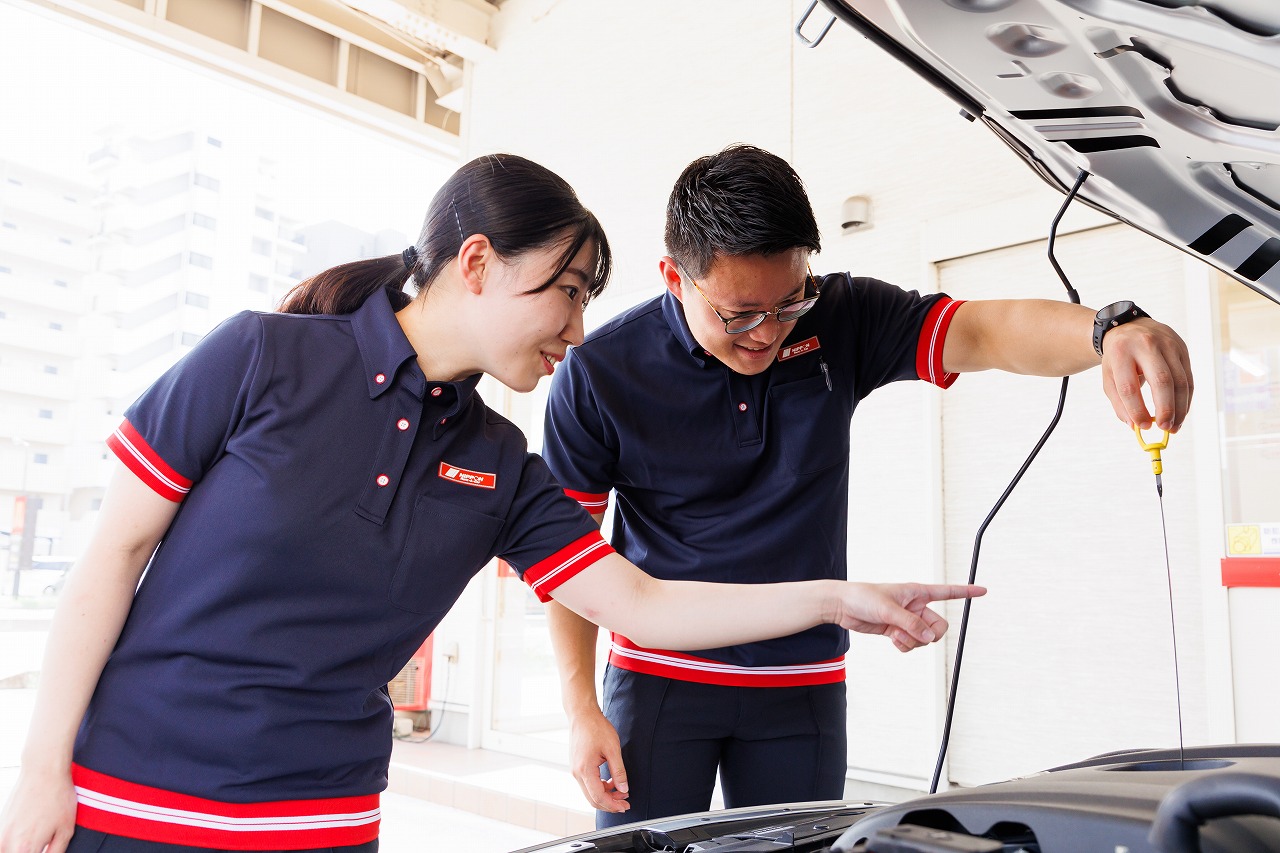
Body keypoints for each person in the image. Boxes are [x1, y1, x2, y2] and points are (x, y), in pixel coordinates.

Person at [0, 153, 982, 853]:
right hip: (126, 801)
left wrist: (833, 597)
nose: (578, 329)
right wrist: (42, 770)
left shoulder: (501, 462)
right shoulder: (259, 357)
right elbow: (109, 560)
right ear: (476, 263)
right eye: (568, 291)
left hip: (321, 822)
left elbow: (640, 602)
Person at [541, 144, 1195, 827]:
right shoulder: (599, 371)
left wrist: (1108, 328)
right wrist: (581, 708)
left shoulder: (840, 317)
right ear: (676, 278)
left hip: (802, 684)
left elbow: (982, 331)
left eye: (790, 301)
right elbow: (568, 560)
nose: (767, 333)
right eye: (740, 314)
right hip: (658, 678)